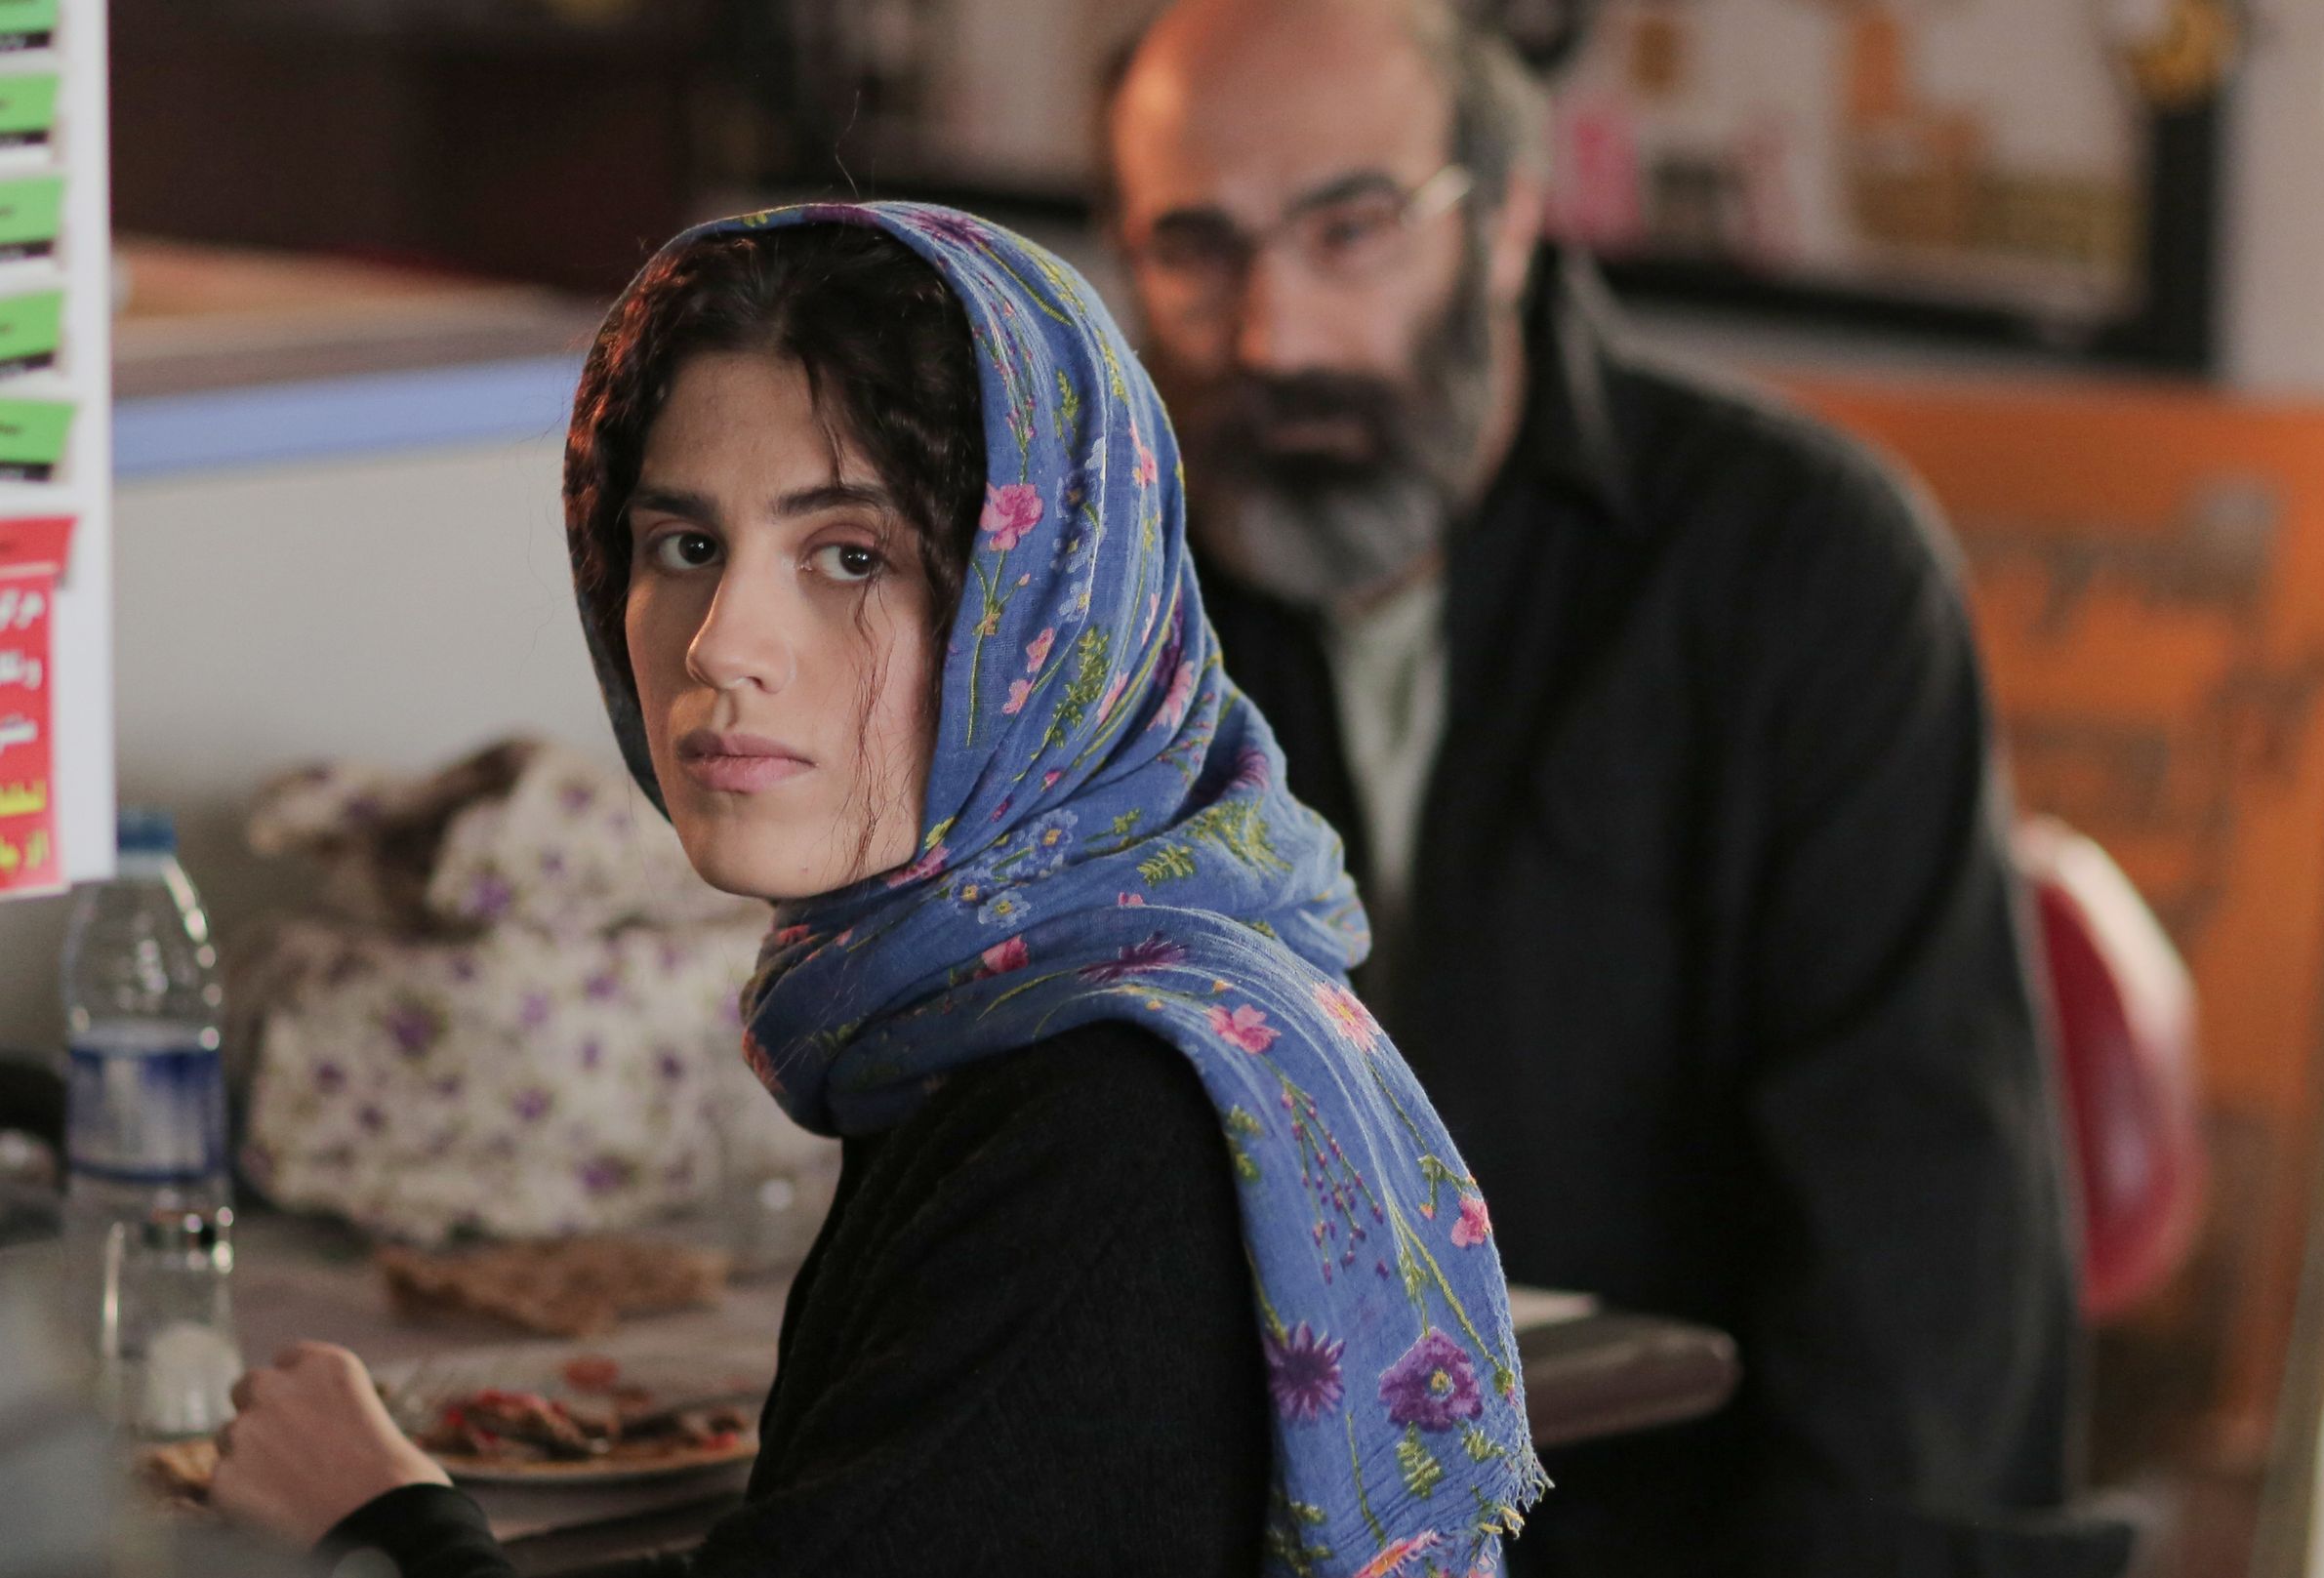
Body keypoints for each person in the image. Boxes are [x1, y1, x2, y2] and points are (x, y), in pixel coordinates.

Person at [202, 203, 1544, 1577]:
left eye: (852, 556)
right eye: (685, 546)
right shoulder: (984, 1005)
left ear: (1050, 607)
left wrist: (385, 1522)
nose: (721, 645)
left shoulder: (1107, 1122)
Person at [1106, 4, 2105, 1573]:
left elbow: (1922, 1303)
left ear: (1507, 220)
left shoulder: (1804, 573)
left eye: (1351, 230)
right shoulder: (1098, 610)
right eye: (1195, 248)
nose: (1273, 335)